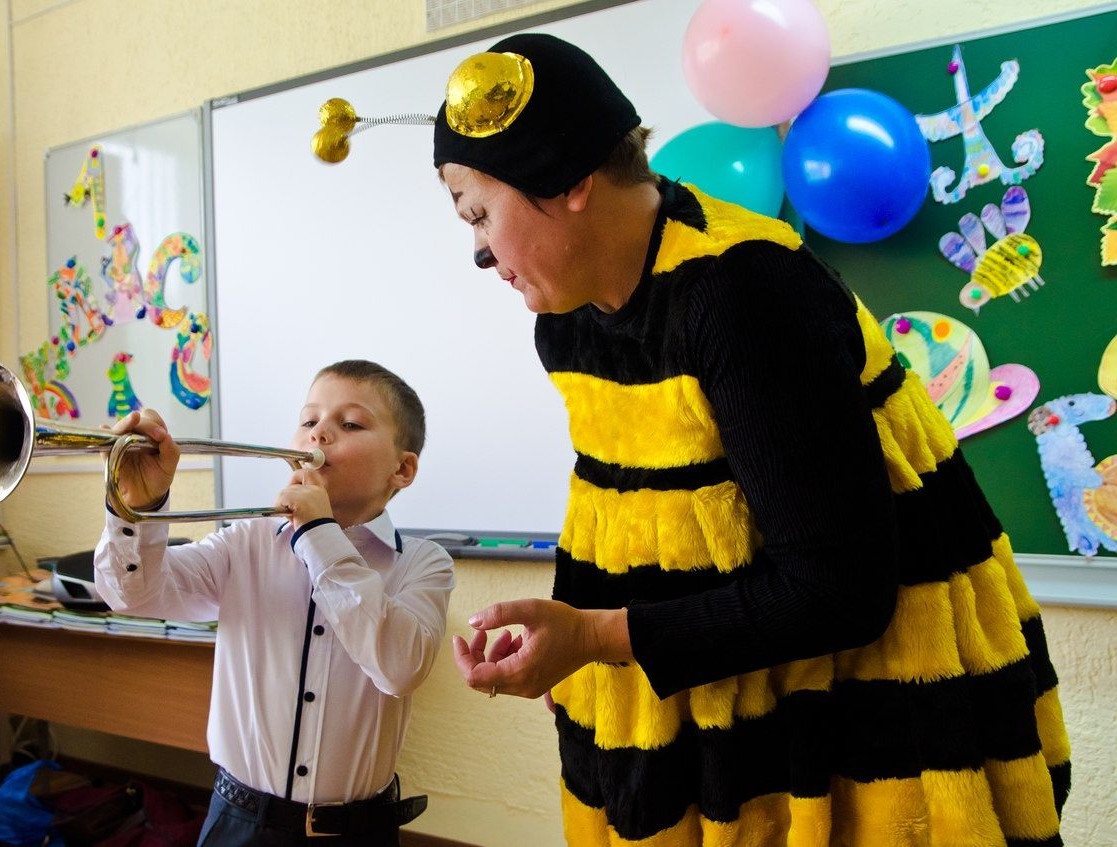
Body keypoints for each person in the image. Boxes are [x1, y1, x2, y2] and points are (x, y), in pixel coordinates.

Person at [436, 33, 1071, 846]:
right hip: (714, 709)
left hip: (863, 720)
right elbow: (617, 495)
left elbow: (838, 589)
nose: (481, 250)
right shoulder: (566, 326)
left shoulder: (743, 294)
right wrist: (572, 630)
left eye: (478, 211)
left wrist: (596, 634)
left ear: (568, 183)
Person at [94, 360, 453, 847]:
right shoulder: (245, 542)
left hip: (360, 828)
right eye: (309, 421)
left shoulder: (424, 564)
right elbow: (132, 595)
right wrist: (135, 504)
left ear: (402, 469)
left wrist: (318, 534)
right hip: (239, 820)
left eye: (349, 424)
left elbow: (400, 667)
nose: (319, 433)